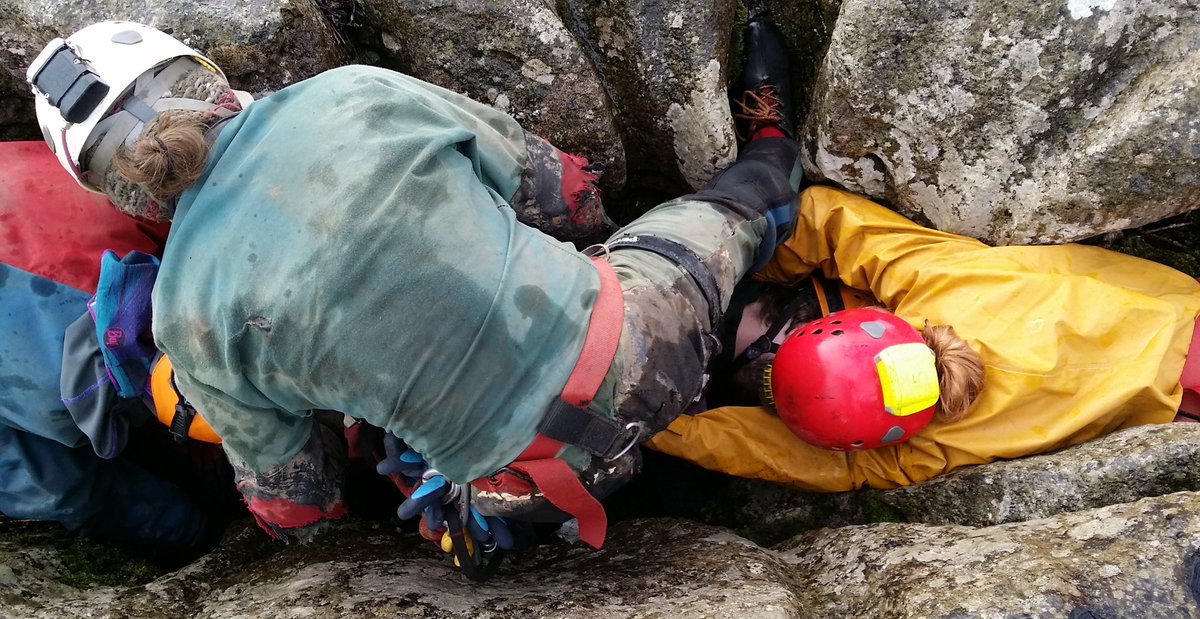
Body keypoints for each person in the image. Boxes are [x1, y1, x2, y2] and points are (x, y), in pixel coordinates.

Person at [26, 17, 804, 551]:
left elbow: (297, 496)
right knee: (745, 200)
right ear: (200, 75)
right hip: (642, 337)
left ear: (121, 192)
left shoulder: (181, 317)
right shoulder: (349, 94)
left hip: (531, 483)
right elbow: (565, 194)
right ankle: (772, 136)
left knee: (428, 473)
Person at [646, 185, 1200, 491]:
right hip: (1179, 319)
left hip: (1172, 390)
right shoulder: (942, 289)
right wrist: (765, 264)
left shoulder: (922, 449)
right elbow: (827, 219)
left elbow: (806, 461)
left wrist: (654, 423)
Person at [0, 140, 233, 558]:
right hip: (191, 323)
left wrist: (190, 534)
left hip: (104, 393)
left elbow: (53, 487)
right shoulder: (45, 160)